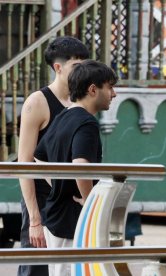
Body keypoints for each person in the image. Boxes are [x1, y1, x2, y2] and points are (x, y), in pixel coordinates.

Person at [34, 60, 118, 275]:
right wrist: (90, 203)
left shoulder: (63, 117)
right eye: (110, 87)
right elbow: (80, 165)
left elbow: (38, 157)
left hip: (55, 214)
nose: (114, 94)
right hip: (73, 219)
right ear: (92, 89)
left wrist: (59, 184)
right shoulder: (86, 123)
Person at [17, 36, 89, 276]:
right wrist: (35, 220)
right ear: (58, 68)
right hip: (42, 201)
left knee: (67, 268)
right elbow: (24, 164)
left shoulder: (80, 102)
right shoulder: (37, 102)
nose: (83, 72)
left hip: (68, 202)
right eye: (76, 67)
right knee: (37, 267)